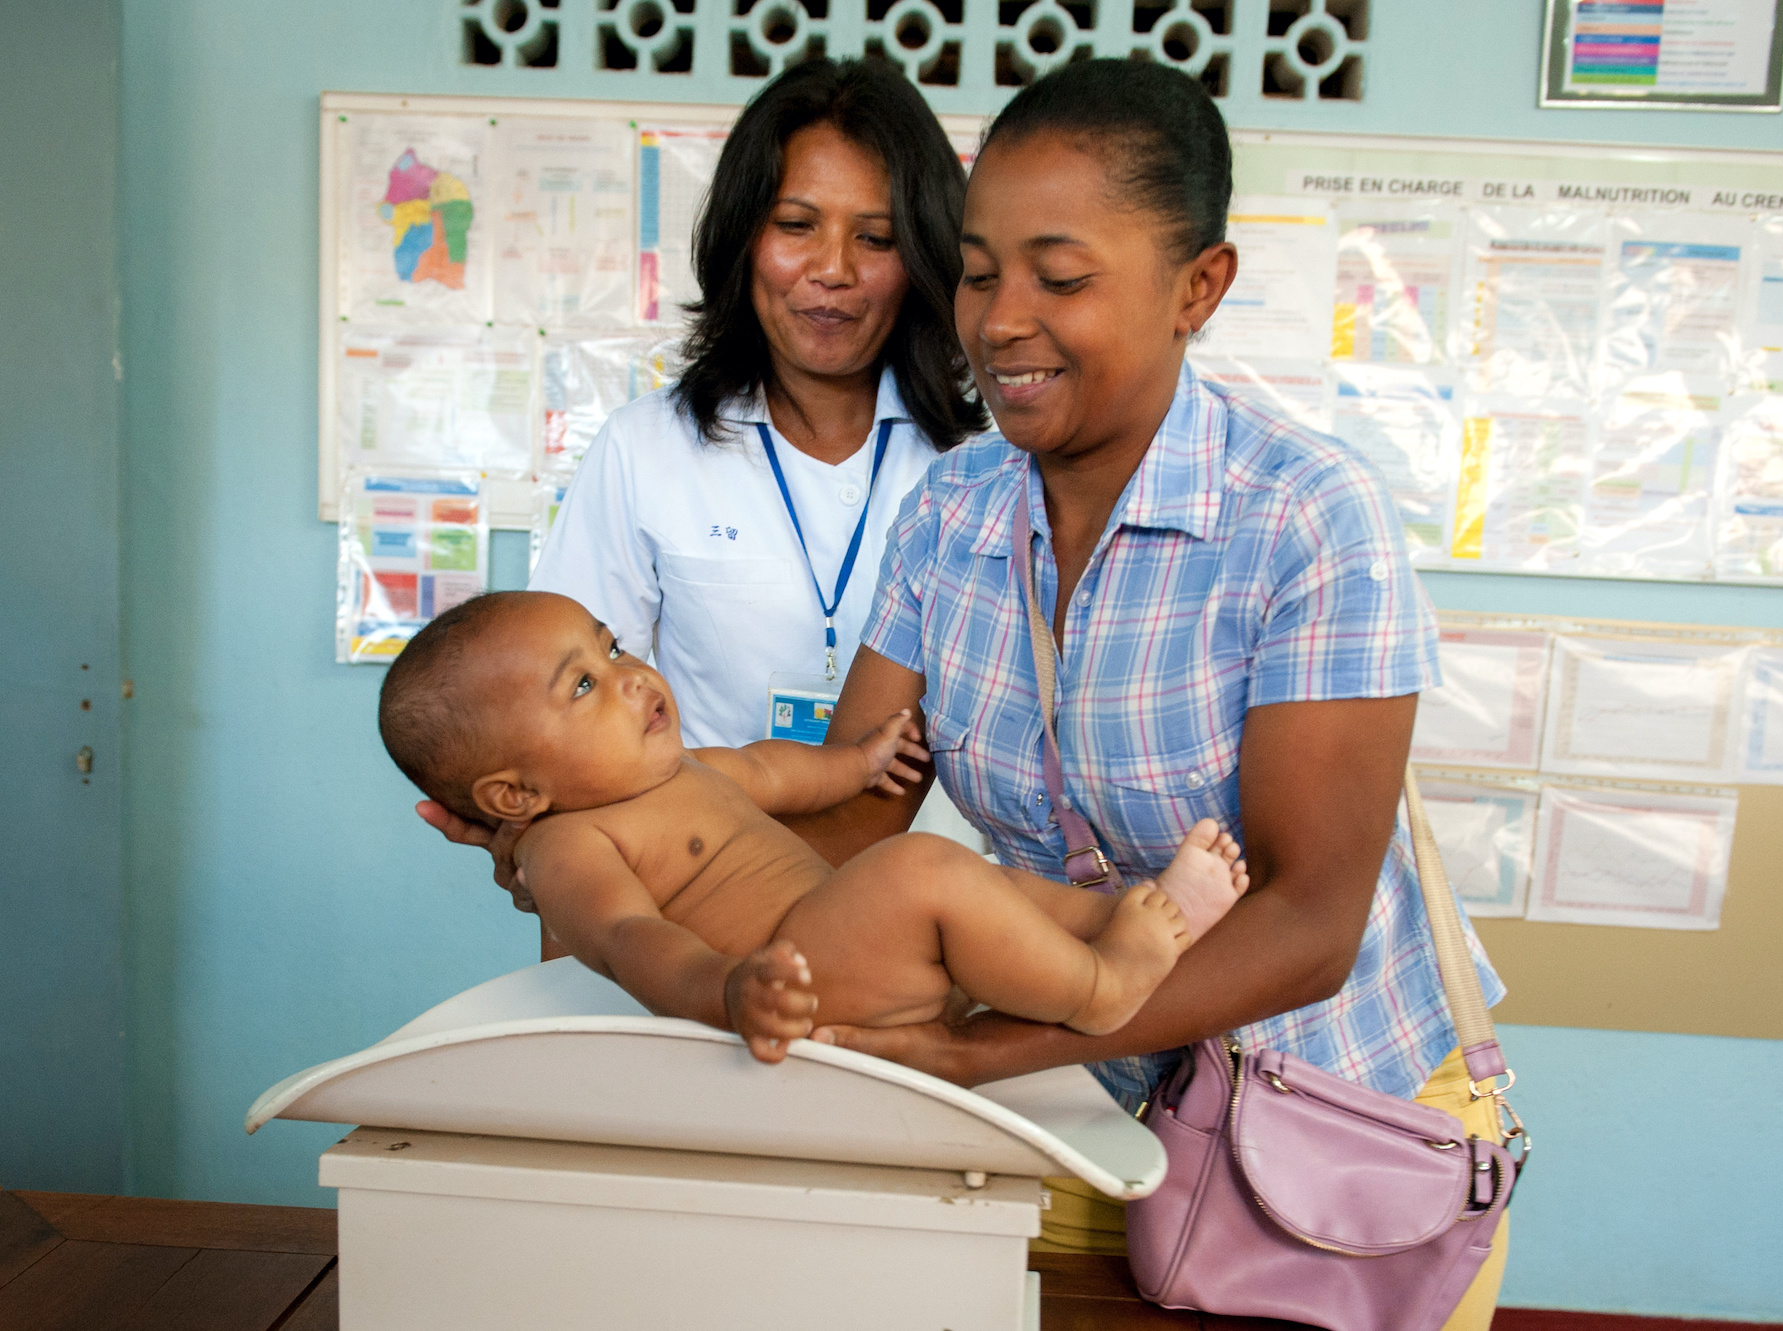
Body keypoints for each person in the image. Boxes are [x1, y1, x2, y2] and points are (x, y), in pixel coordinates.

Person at [782, 60, 1512, 1323]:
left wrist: (982, 1048)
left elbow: (1309, 924)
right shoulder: (952, 509)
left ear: (1198, 287)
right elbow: (851, 810)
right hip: (1068, 1111)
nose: (1000, 319)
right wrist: (620, 838)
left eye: (1060, 278)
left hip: (1320, 1116)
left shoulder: (1301, 516)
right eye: (974, 269)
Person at [417, 57, 989, 916]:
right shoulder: (646, 451)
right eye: (797, 224)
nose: (832, 269)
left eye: (875, 238)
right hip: (686, 909)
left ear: (921, 256)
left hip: (940, 929)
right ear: (742, 236)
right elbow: (554, 717)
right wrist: (539, 842)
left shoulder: (981, 467)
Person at [379, 591, 1249, 1052]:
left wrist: (861, 764)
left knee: (990, 884)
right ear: (512, 797)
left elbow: (774, 770)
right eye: (582, 686)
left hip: (848, 950)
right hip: (797, 985)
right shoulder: (567, 843)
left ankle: (1122, 917)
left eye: (611, 647)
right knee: (919, 867)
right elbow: (627, 936)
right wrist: (726, 991)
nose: (631, 675)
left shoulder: (681, 769)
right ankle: (1103, 990)